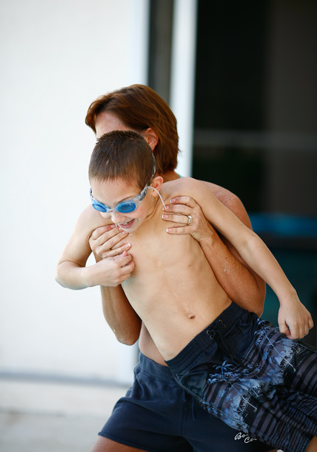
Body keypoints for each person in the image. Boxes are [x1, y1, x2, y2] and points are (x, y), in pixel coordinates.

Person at [56, 130, 316, 452]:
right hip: (194, 366)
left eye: (125, 205)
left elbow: (245, 240)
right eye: (100, 203)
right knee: (288, 432)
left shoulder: (185, 195)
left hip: (241, 332)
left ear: (153, 186)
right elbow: (64, 270)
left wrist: (289, 297)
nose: (114, 217)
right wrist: (96, 274)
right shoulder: (96, 222)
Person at [83, 85, 274, 452]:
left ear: (149, 139)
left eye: (112, 138)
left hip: (226, 386)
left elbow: (253, 305)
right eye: (98, 144)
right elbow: (126, 334)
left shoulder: (216, 201)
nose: (102, 154)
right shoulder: (115, 218)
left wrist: (207, 236)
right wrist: (105, 270)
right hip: (154, 390)